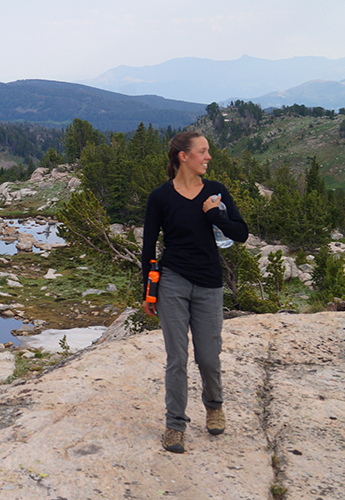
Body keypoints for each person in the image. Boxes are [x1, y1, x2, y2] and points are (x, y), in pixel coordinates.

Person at [141, 131, 249, 453]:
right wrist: (149, 291)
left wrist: (215, 215)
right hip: (172, 281)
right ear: (183, 156)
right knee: (177, 357)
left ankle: (214, 405)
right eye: (203, 151)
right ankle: (175, 425)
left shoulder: (216, 193)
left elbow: (240, 233)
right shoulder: (160, 197)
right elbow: (148, 247)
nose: (208, 157)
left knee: (208, 356)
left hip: (209, 284)